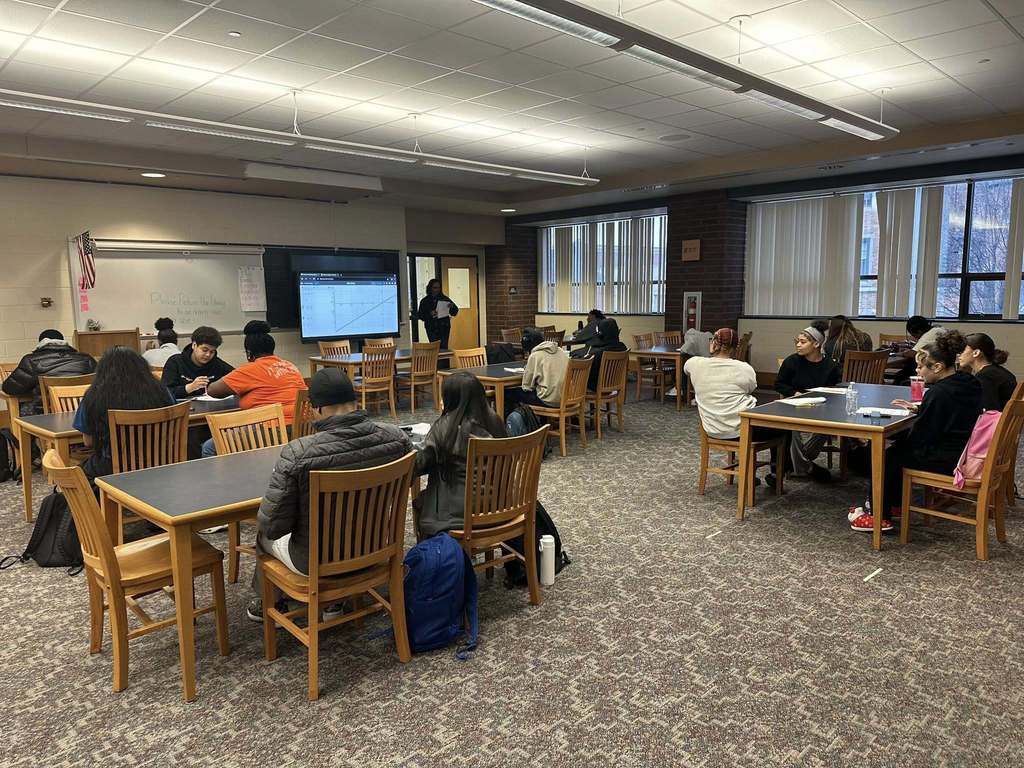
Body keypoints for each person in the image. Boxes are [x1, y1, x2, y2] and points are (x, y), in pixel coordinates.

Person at [248, 367, 412, 621]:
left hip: (315, 561)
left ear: (316, 409)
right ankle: (334, 604)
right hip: (378, 549)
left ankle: (273, 603)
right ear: (355, 399)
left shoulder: (298, 452)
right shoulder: (396, 439)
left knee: (263, 535)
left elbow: (273, 525)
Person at [849, 331, 982, 532]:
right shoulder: (969, 383)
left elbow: (923, 436)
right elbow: (952, 412)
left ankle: (879, 516)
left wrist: (893, 436)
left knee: (888, 456)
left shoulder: (938, 393)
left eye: (920, 367)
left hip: (945, 458)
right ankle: (894, 504)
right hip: (963, 451)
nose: (918, 371)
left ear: (937, 367)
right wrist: (920, 410)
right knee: (896, 451)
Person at [414, 372, 507, 538]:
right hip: (500, 507)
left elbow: (417, 464)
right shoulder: (496, 422)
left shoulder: (444, 429)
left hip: (461, 514)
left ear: (451, 399)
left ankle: (437, 555)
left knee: (422, 500)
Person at [73, 346, 175, 483]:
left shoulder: (94, 396)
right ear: (143, 368)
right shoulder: (162, 391)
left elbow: (88, 441)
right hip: (163, 461)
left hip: (114, 466)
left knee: (80, 474)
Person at [204, 320, 305, 457]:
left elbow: (213, 390)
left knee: (209, 447)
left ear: (249, 353)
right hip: (302, 429)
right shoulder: (290, 366)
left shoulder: (251, 369)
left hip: (272, 430)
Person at [775, 326, 841, 483]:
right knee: (792, 429)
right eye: (797, 341)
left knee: (828, 426)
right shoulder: (792, 361)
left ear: (816, 344)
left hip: (821, 408)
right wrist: (794, 393)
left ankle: (797, 464)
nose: (798, 345)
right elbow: (779, 384)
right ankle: (808, 467)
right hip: (794, 406)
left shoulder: (830, 366)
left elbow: (834, 389)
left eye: (803, 342)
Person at [684, 328, 757, 440]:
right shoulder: (745, 368)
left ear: (713, 342)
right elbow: (751, 388)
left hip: (711, 429)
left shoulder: (693, 363)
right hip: (743, 428)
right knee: (782, 430)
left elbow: (686, 370)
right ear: (735, 347)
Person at [2, 329, 96, 415]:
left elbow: (10, 388)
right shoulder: (86, 359)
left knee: (22, 410)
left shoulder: (32, 360)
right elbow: (102, 383)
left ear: (40, 344)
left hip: (47, 415)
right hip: (85, 414)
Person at [504, 327, 569, 415]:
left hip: (549, 400)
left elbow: (526, 386)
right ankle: (542, 422)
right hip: (567, 398)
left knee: (509, 393)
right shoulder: (561, 351)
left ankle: (512, 425)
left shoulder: (535, 356)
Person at [161, 326, 233, 399]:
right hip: (184, 407)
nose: (208, 355)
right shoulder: (175, 362)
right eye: (204, 350)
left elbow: (236, 376)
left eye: (212, 351)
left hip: (213, 407)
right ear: (194, 345)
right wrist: (190, 387)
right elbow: (165, 393)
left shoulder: (217, 364)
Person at [959, 333, 1016, 411]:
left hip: (997, 421)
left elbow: (989, 410)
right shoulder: (996, 371)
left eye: (962, 350)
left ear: (976, 353)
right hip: (1007, 421)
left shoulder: (985, 376)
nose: (959, 354)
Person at [571, 317, 627, 391]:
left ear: (600, 334)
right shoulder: (623, 348)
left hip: (593, 388)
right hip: (613, 387)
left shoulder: (597, 353)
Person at [892, 316, 945, 385]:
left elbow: (912, 354)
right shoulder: (938, 329)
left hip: (933, 370)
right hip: (941, 367)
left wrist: (899, 353)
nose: (916, 338)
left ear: (919, 332)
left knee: (900, 376)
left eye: (914, 335)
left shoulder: (929, 335)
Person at [416, 278, 459, 350]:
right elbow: (420, 315)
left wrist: (452, 307)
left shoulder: (444, 298)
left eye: (438, 288)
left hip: (444, 327)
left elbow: (455, 312)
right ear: (430, 288)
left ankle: (444, 361)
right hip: (431, 328)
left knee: (444, 348)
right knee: (434, 349)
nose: (437, 290)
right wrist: (430, 314)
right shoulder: (425, 301)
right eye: (435, 288)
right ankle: (435, 361)